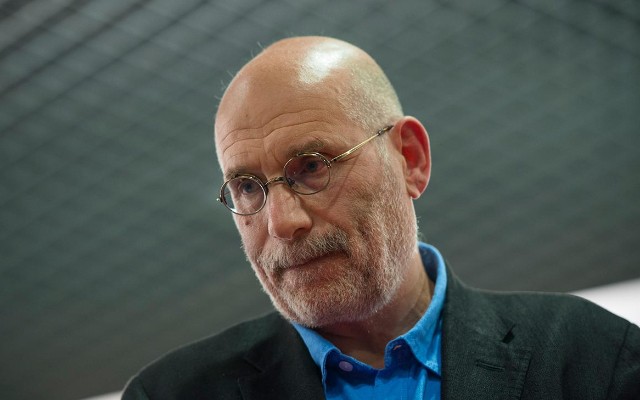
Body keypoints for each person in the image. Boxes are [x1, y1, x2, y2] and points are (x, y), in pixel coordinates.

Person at [122, 36, 640, 399]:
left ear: (410, 160)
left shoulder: (591, 358)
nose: (281, 223)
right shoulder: (172, 393)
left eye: (311, 166)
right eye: (247, 187)